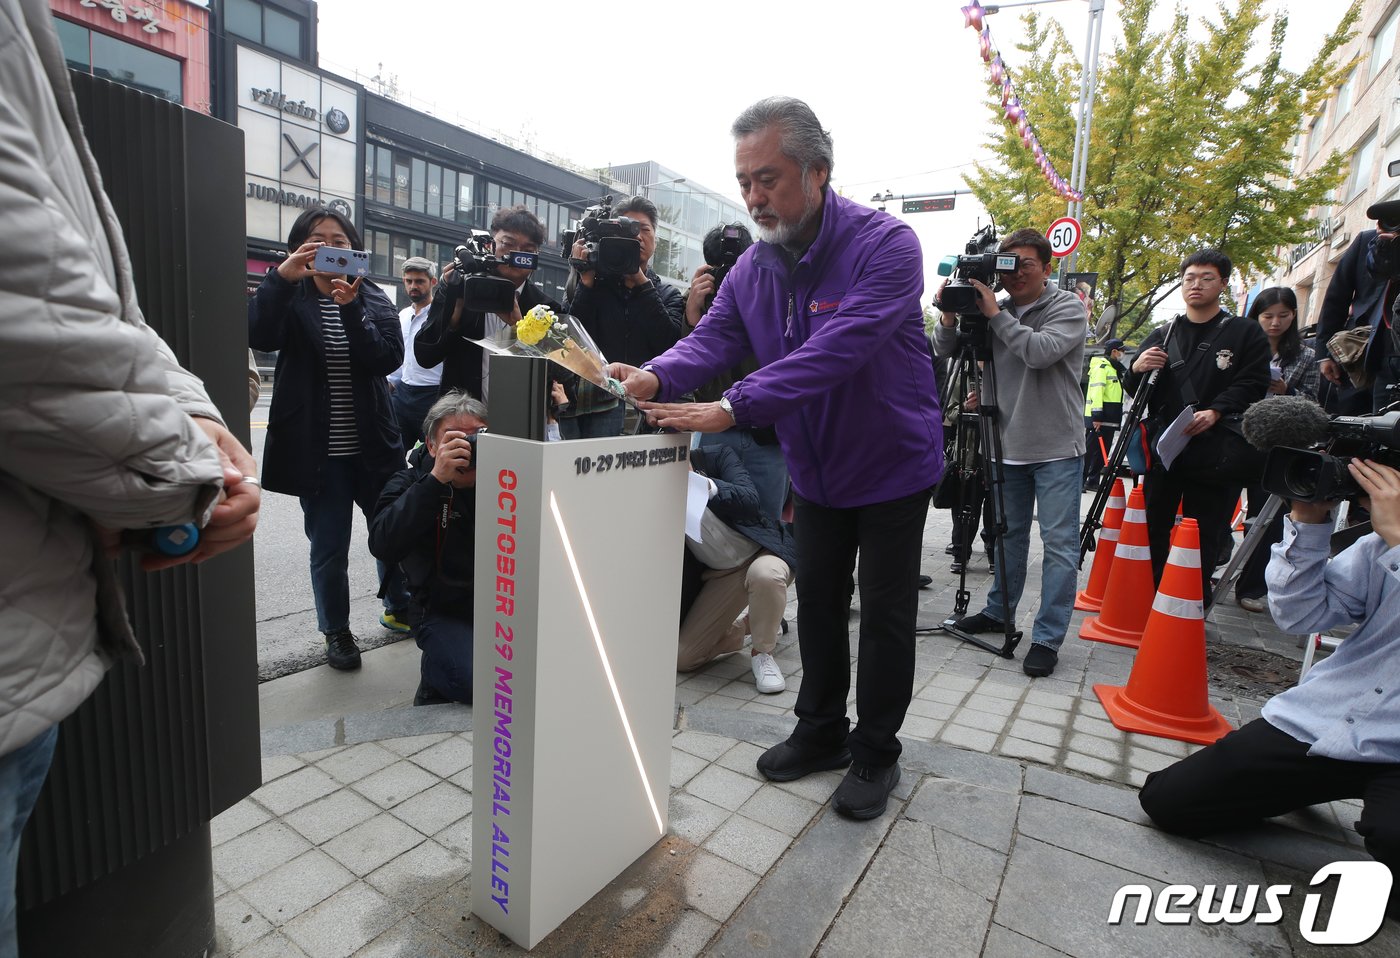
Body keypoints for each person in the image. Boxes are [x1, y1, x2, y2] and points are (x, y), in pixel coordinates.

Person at [1, 2, 261, 951]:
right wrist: (188, 481)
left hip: (34, 650)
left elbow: (106, 305)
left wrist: (193, 415)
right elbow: (29, 304)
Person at [610, 96, 943, 820]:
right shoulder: (755, 267)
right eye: (744, 182)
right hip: (816, 468)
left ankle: (876, 752)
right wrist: (655, 374)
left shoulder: (887, 246)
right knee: (818, 602)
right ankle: (820, 730)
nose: (755, 197)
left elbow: (840, 347)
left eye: (769, 178)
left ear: (818, 171)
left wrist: (733, 406)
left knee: (883, 615)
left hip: (891, 464)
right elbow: (713, 339)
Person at [1140, 458, 1400, 924]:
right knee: (1171, 802)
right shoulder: (1383, 539)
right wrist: (1308, 519)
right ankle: (1302, 787)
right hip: (1336, 721)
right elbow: (1302, 617)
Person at [249, 206, 412, 668]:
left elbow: (385, 358)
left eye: (339, 240)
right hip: (316, 451)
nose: (330, 247)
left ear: (353, 247)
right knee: (329, 546)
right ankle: (336, 631)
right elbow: (259, 332)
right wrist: (280, 279)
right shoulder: (290, 295)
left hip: (374, 446)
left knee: (392, 534)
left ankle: (400, 607)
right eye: (317, 239)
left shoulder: (373, 297)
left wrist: (352, 306)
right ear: (300, 246)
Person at [932, 229, 1088, 678]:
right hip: (1004, 444)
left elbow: (1039, 352)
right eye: (1009, 265)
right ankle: (999, 611)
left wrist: (995, 313)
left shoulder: (1066, 307)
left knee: (1059, 547)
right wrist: (947, 315)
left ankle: (1046, 637)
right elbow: (945, 351)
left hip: (1057, 446)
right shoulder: (988, 306)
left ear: (1047, 266)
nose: (1017, 274)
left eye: (1027, 265)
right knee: (1006, 536)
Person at [1124, 250, 1270, 602]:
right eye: (1189, 277)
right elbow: (1133, 389)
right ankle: (1150, 596)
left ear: (1222, 283)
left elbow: (1254, 382)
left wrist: (1217, 411)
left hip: (1216, 447)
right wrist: (1136, 367)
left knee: (1204, 529)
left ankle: (1190, 602)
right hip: (1166, 446)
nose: (1196, 284)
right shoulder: (1163, 332)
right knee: (1153, 524)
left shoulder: (1244, 332)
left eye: (1206, 277)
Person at [368, 392, 486, 705]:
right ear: (432, 446)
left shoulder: (506, 481)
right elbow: (382, 543)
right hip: (440, 610)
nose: (468, 448)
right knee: (475, 684)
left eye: (477, 438)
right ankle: (434, 672)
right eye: (455, 439)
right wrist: (435, 482)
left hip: (499, 606)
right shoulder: (411, 483)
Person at [685, 223, 790, 521]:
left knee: (768, 524)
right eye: (719, 269)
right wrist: (692, 316)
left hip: (765, 434)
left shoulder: (774, 296)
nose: (727, 278)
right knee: (710, 524)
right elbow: (683, 364)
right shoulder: (696, 301)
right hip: (714, 430)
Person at [561, 195, 685, 438]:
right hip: (596, 412)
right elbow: (571, 343)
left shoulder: (667, 293)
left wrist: (641, 283)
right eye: (627, 229)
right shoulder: (593, 285)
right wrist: (585, 281)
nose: (637, 236)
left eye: (643, 229)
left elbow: (670, 345)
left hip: (649, 411)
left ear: (655, 240)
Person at [679, 445, 796, 693]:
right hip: (720, 574)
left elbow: (750, 499)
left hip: (761, 551)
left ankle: (763, 653)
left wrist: (704, 485)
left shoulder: (716, 456)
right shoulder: (653, 488)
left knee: (765, 575)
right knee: (684, 658)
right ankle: (746, 627)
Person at [1235, 287, 1319, 612]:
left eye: (1283, 316)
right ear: (1255, 315)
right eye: (1267, 316)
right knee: (1218, 508)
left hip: (1276, 444)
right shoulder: (1239, 347)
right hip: (1234, 435)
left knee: (1266, 517)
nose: (1274, 323)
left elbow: (1313, 402)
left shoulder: (1306, 355)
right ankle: (1211, 567)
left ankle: (1252, 586)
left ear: (1294, 316)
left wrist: (1288, 390)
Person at [1315, 199, 1400, 415]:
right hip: (1363, 350)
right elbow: (1337, 297)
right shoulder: (1368, 242)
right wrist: (1325, 352)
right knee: (1362, 424)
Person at [389, 256, 441, 452]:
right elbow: (401, 358)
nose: (413, 286)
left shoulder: (440, 315)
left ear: (433, 282)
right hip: (402, 393)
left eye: (419, 281)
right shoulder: (402, 315)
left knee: (431, 455)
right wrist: (390, 385)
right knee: (393, 453)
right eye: (409, 281)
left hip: (432, 395)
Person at [1083, 339, 1126, 491]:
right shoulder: (1102, 368)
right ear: (1114, 351)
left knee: (1102, 452)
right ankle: (1080, 481)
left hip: (1110, 418)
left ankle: (1093, 481)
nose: (1123, 354)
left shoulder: (1114, 369)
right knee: (1089, 450)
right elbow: (1097, 391)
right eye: (1122, 350)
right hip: (1099, 418)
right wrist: (1097, 416)